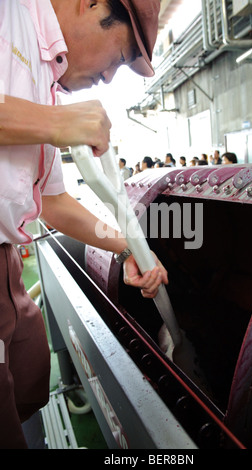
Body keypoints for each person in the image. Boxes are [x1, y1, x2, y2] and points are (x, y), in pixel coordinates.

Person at [0, 0, 166, 449]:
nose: (109, 78)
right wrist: (52, 122)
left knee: (31, 369)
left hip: (8, 262)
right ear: (91, 4)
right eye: (117, 59)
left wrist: (127, 249)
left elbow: (54, 202)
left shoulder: (47, 84)